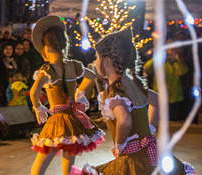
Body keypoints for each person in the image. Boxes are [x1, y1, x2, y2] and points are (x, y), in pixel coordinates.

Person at [69, 29, 194, 175]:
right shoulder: (135, 84)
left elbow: (125, 120)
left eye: (97, 57)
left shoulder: (112, 92)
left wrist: (120, 144)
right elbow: (158, 101)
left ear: (107, 61)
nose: (95, 62)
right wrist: (149, 128)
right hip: (152, 156)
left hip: (133, 161)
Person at [28, 16, 104, 175]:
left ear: (46, 47)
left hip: (57, 121)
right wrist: (80, 91)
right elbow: (91, 76)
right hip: (73, 120)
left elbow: (34, 91)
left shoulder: (47, 69)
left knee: (38, 169)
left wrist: (38, 107)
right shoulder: (73, 65)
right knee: (67, 168)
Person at [143, 45, 188, 121]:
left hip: (174, 96)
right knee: (160, 119)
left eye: (172, 50)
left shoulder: (176, 63)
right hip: (160, 94)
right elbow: (147, 68)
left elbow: (183, 71)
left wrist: (178, 60)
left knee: (173, 120)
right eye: (168, 50)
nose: (169, 53)